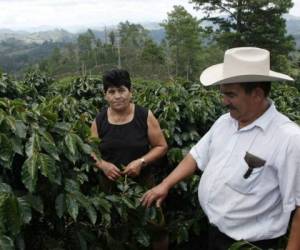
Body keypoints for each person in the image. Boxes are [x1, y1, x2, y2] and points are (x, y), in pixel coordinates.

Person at [141, 47, 300, 250]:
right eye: (223, 94)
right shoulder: (225, 122)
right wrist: (165, 184)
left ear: (257, 94)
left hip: (251, 244)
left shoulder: (289, 139)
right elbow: (196, 156)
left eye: (231, 95)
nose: (224, 101)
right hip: (215, 233)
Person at [90, 68, 169, 250]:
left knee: (156, 227)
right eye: (112, 92)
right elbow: (90, 150)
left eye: (121, 90)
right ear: (105, 95)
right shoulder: (100, 120)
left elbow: (161, 146)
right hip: (111, 186)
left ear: (130, 92)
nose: (117, 96)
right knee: (117, 229)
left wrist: (141, 162)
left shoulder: (144, 116)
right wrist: (103, 165)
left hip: (143, 184)